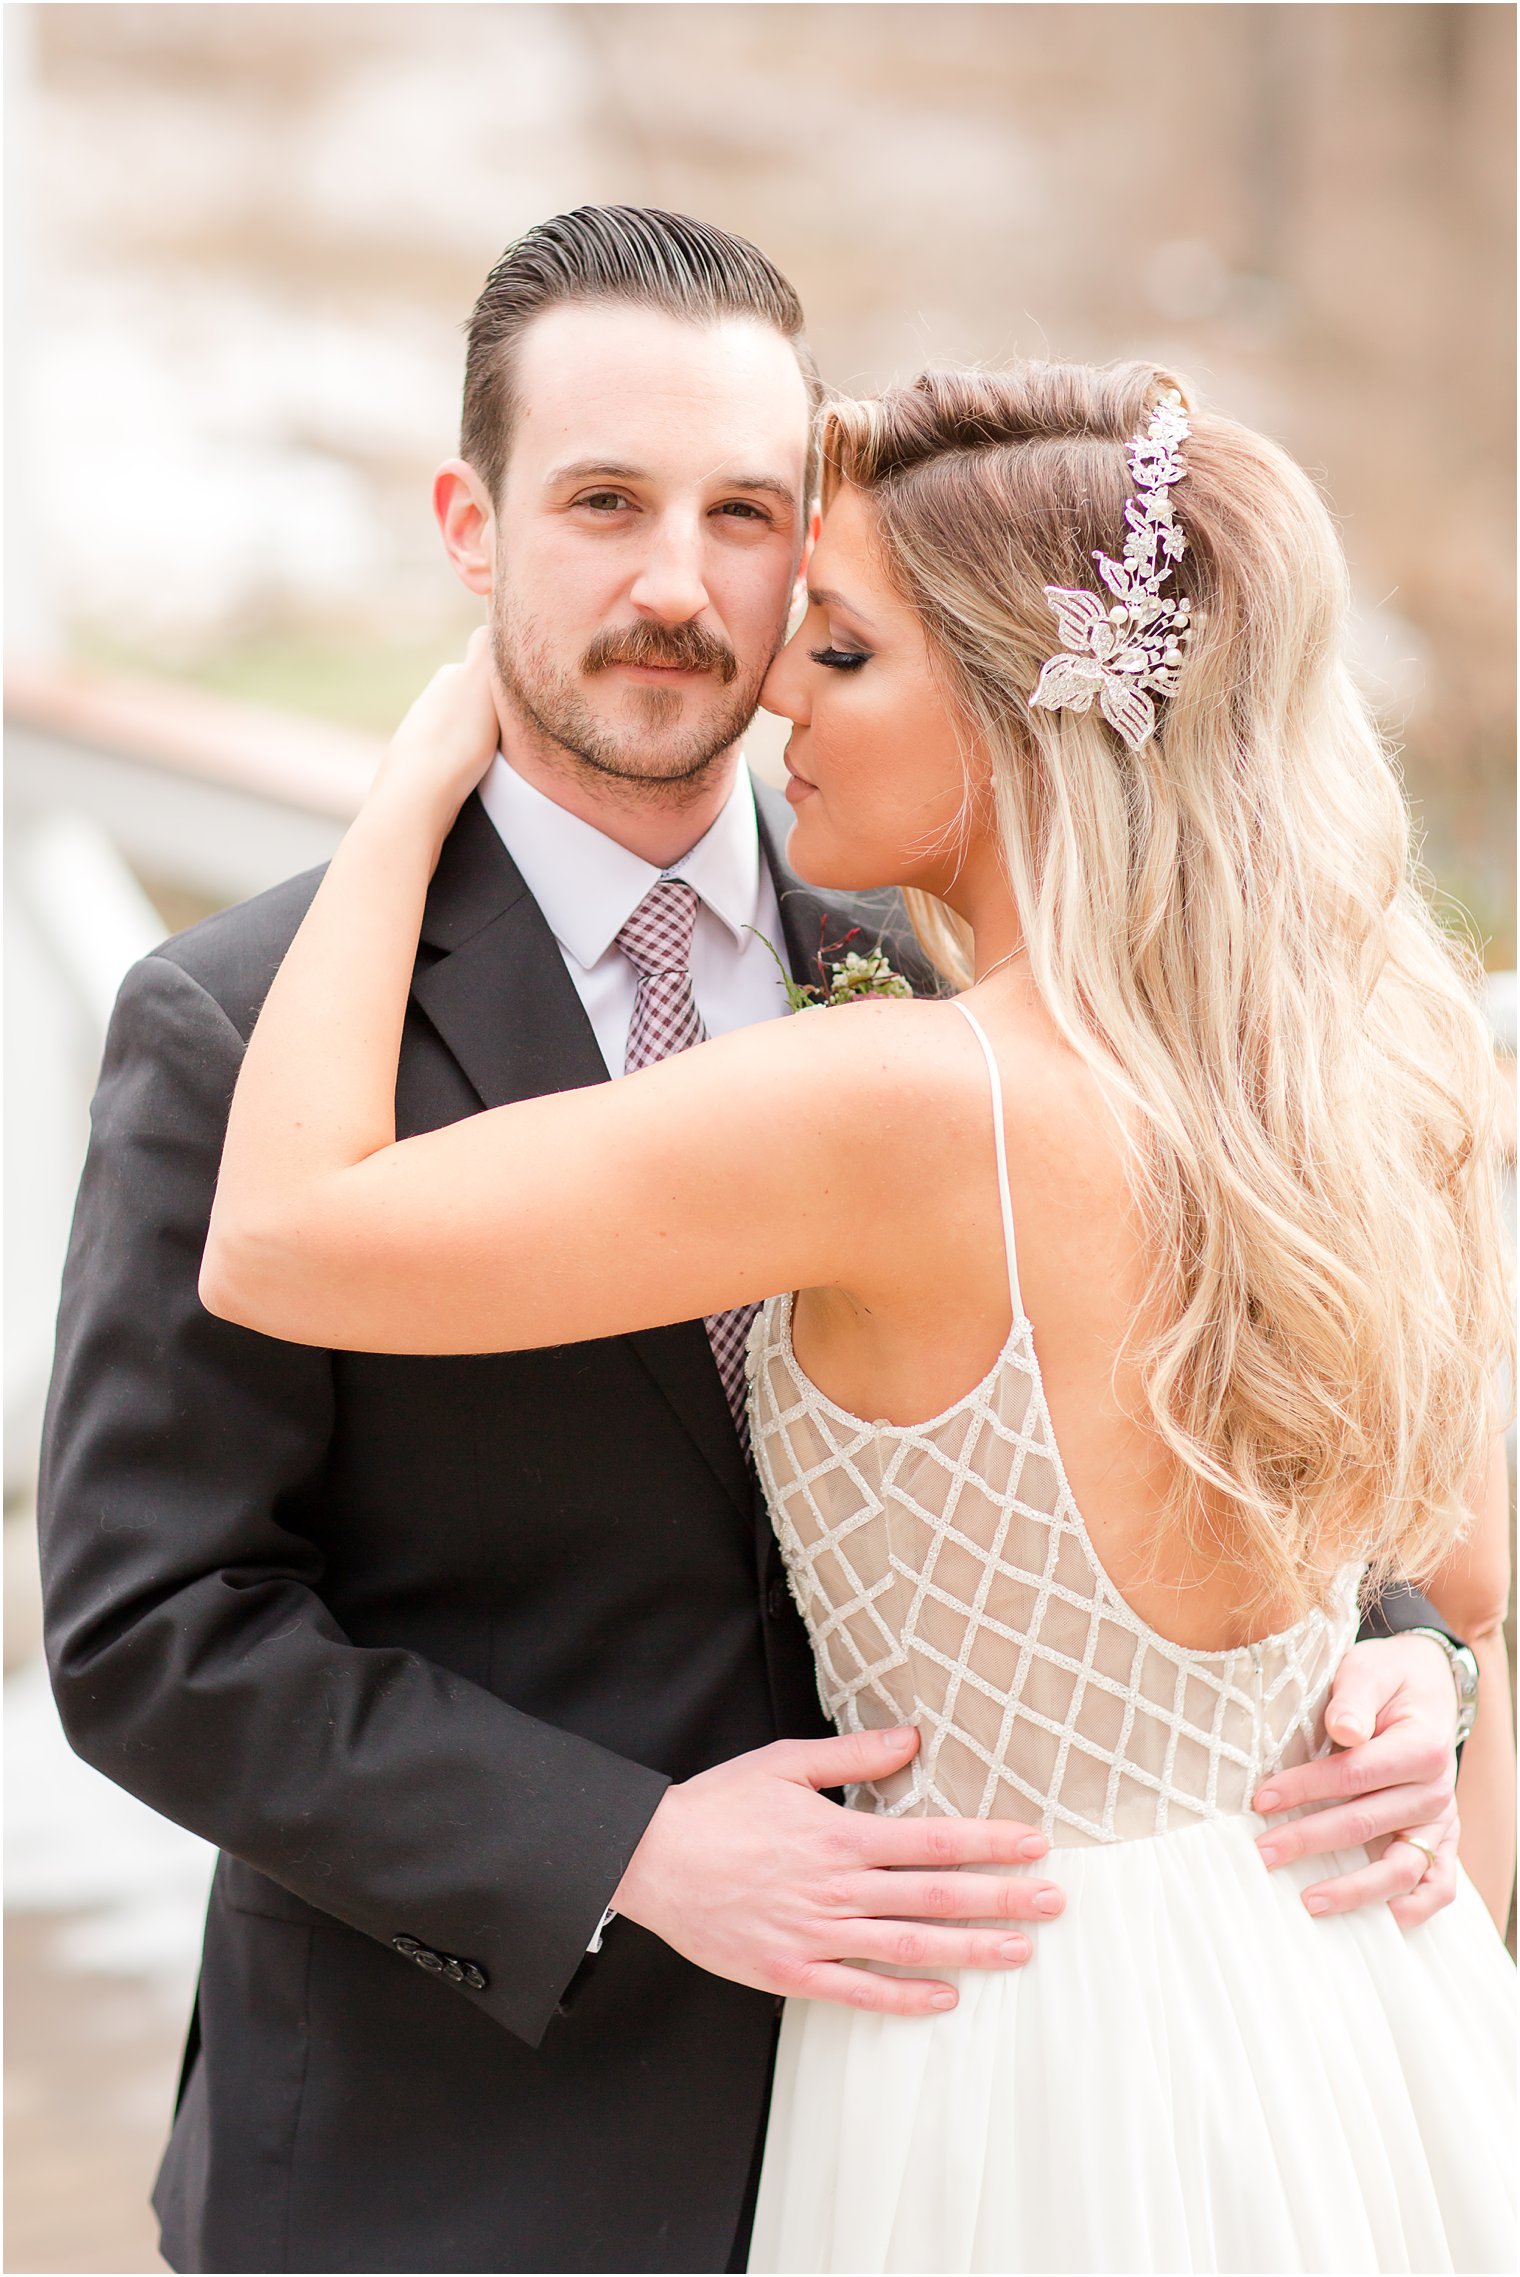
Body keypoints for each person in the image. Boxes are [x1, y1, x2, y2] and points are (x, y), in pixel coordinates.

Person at [37, 208, 1485, 2277]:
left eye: (741, 515)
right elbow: (152, 1629)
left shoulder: (950, 956)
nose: (674, 585)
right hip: (462, 2154)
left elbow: (1224, 1401)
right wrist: (617, 1845)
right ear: (471, 520)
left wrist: (1391, 1667)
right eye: (602, 501)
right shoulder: (246, 1033)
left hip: (987, 2108)